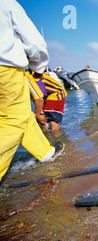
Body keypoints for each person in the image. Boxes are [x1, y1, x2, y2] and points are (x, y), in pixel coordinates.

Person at [0, 0, 64, 183]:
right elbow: (35, 43)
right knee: (14, 119)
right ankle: (45, 151)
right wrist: (39, 66)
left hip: (54, 96)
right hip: (5, 68)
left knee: (16, 116)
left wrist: (39, 113)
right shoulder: (8, 3)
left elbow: (37, 97)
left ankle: (45, 151)